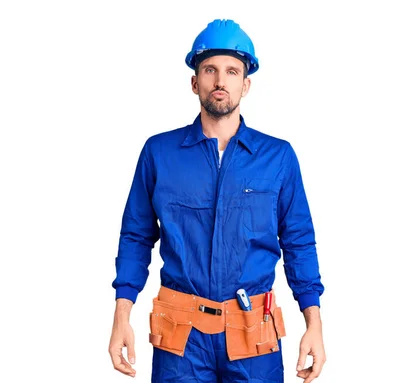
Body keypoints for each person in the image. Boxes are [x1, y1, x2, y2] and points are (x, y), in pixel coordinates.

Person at [108, 19, 326, 383]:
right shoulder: (159, 153)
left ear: (246, 83)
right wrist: (121, 318)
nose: (220, 81)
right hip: (181, 339)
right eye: (209, 70)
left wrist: (314, 323)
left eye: (231, 71)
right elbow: (135, 237)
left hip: (254, 337)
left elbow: (299, 242)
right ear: (195, 82)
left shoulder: (278, 158)